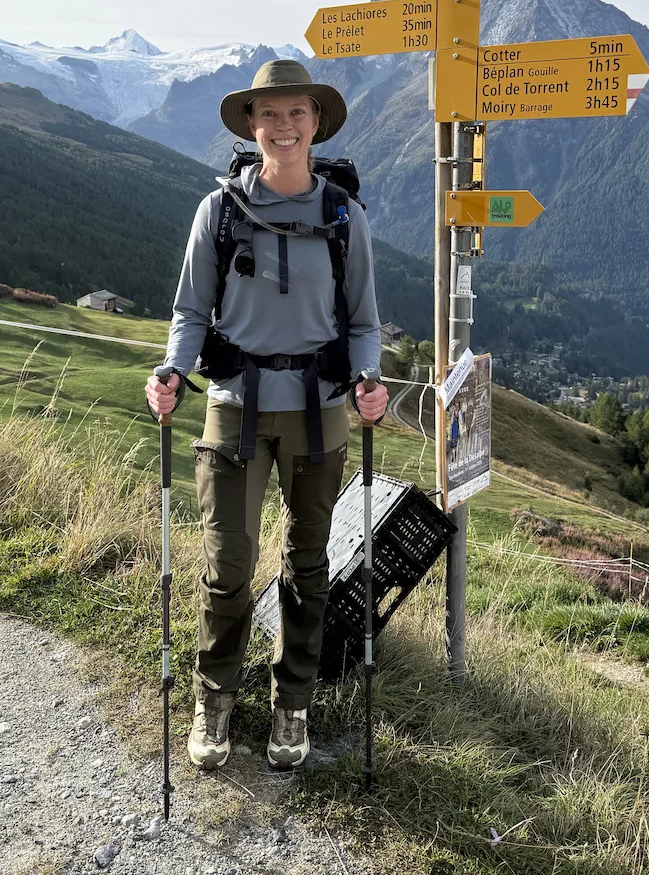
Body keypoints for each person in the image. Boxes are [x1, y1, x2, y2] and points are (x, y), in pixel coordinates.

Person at [146, 58, 388, 771]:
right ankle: (212, 700)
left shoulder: (344, 215)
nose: (283, 127)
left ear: (316, 122)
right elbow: (191, 312)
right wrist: (171, 370)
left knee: (307, 566)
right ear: (252, 126)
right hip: (235, 407)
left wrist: (369, 378)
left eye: (297, 113)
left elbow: (364, 322)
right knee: (229, 566)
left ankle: (293, 704)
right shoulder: (217, 211)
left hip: (320, 412)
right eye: (270, 114)